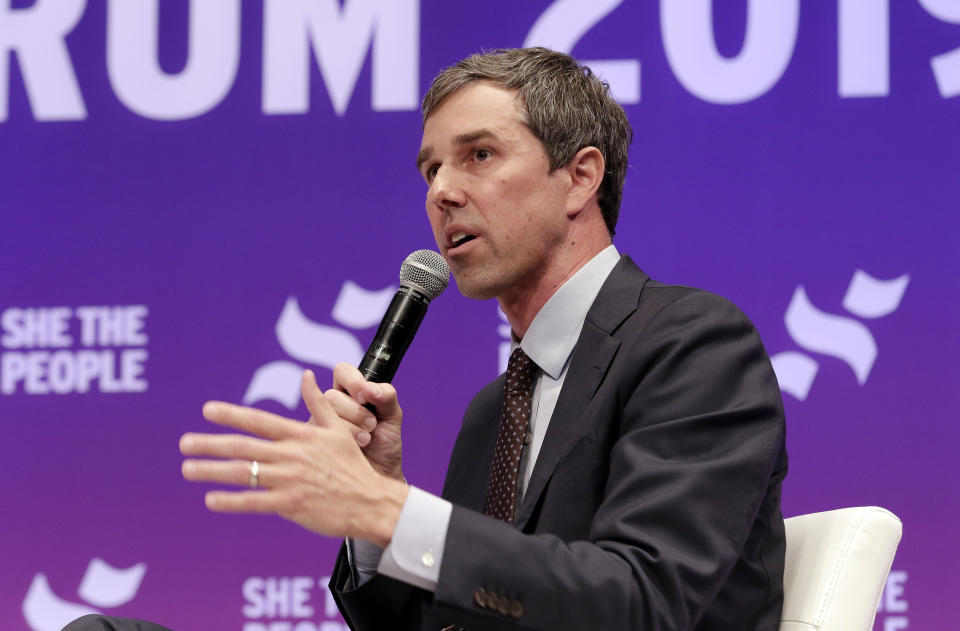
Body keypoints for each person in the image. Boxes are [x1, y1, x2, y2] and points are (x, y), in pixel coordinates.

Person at [66, 47, 787, 631]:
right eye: (430, 167)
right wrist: (379, 506)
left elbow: (644, 603)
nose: (440, 190)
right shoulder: (496, 406)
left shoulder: (691, 344)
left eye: (477, 155)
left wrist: (391, 511)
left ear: (580, 178)